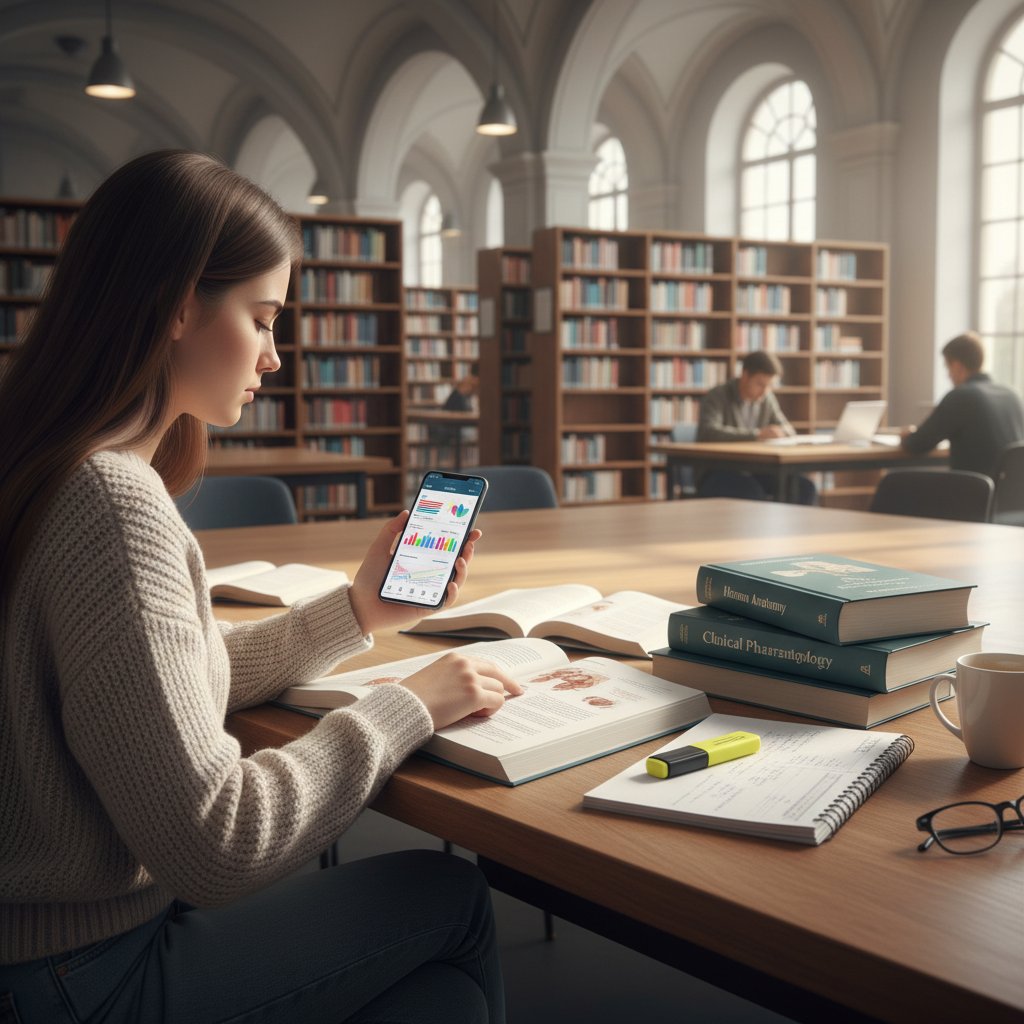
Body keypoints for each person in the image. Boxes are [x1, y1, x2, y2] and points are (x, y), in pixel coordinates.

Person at [0, 151, 523, 1024]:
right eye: (263, 317)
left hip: (45, 957)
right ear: (176, 305)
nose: (275, 357)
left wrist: (356, 610)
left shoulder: (54, 462)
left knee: (443, 999)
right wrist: (407, 706)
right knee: (451, 899)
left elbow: (149, 698)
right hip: (80, 975)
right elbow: (218, 844)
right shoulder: (112, 503)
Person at [695, 350, 816, 503]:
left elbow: (787, 428)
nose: (764, 391)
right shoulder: (718, 396)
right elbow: (709, 432)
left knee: (803, 487)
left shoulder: (766, 398)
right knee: (751, 491)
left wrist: (781, 432)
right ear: (745, 376)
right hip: (718, 471)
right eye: (759, 384)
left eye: (769, 385)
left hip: (757, 470)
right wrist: (757, 435)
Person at [900, 331, 1024, 479]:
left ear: (957, 366)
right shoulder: (1012, 395)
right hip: (1013, 495)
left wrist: (906, 436)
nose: (948, 375)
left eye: (947, 367)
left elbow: (917, 444)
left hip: (975, 492)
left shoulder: (960, 397)